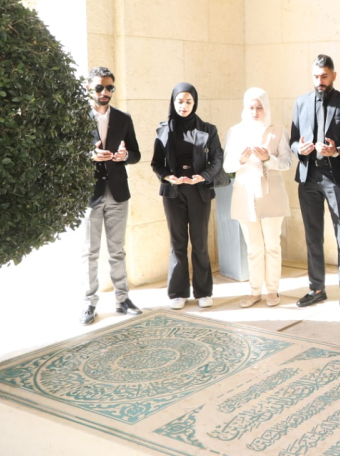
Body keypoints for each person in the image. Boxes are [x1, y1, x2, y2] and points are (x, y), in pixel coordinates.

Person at [289, 55, 340, 309]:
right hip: (308, 177)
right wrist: (299, 149)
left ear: (333, 76)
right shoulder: (301, 102)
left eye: (325, 76)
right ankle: (316, 289)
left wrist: (336, 151)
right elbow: (293, 140)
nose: (320, 81)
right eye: (316, 76)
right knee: (313, 236)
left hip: (335, 177)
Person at [151, 83, 223, 309]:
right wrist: (167, 177)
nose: (184, 106)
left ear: (195, 103)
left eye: (188, 101)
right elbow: (156, 163)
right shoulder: (163, 130)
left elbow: (217, 159)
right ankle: (177, 293)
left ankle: (203, 291)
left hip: (199, 191)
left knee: (200, 242)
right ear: (173, 102)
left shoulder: (208, 129)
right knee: (178, 242)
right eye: (180, 101)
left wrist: (203, 176)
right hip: (173, 192)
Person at [79, 67, 142, 325]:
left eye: (109, 88)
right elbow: (65, 155)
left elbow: (136, 154)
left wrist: (126, 156)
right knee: (90, 252)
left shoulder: (123, 118)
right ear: (88, 88)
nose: (104, 92)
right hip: (89, 193)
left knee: (117, 250)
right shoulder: (77, 118)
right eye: (99, 87)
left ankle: (122, 299)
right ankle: (89, 303)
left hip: (118, 193)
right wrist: (89, 155)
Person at [222, 88, 294, 308]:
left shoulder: (278, 130)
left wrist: (267, 158)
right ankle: (254, 291)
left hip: (272, 195)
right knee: (253, 247)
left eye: (259, 107)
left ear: (266, 107)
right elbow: (227, 166)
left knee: (272, 245)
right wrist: (241, 160)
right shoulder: (235, 131)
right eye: (251, 107)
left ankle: (272, 290)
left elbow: (287, 162)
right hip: (245, 195)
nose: (255, 112)